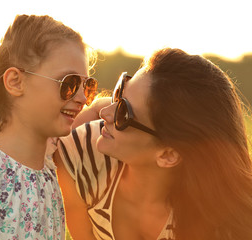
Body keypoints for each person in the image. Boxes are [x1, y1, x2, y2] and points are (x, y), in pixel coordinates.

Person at [55, 48, 252, 240]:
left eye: (123, 113)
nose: (105, 113)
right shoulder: (84, 153)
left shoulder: (214, 222)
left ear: (168, 155)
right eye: (119, 94)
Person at [0, 14, 98, 240]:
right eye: (69, 84)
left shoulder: (49, 170)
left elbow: (103, 110)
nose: (82, 97)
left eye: (88, 86)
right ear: (15, 82)